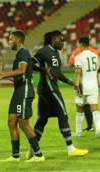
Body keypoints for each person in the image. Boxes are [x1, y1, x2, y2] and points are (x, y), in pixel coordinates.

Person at [26, 30, 89, 158]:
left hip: (45, 89)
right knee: (63, 116)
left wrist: (71, 83)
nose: (63, 43)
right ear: (54, 39)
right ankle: (71, 149)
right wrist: (43, 70)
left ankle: (31, 151)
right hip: (50, 88)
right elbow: (30, 64)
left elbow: (57, 72)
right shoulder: (44, 51)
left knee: (42, 120)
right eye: (61, 40)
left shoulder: (55, 54)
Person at [0, 30, 45, 162]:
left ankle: (38, 155)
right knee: (11, 121)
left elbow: (22, 70)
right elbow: (18, 78)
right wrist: (3, 73)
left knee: (23, 124)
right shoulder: (19, 55)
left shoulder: (23, 52)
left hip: (24, 91)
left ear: (18, 41)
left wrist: (2, 75)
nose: (9, 41)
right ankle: (15, 156)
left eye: (11, 39)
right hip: (18, 91)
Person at [68, 35, 100, 132]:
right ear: (89, 44)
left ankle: (78, 132)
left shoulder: (78, 55)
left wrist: (77, 86)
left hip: (83, 86)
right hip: (93, 85)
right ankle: (98, 130)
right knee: (94, 108)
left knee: (79, 109)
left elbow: (77, 72)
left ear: (80, 45)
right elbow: (98, 69)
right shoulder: (95, 55)